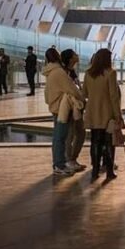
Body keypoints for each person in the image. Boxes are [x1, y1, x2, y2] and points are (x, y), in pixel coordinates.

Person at [43, 47, 83, 176]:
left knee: (58, 137)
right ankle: (59, 165)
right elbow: (72, 89)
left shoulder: (50, 72)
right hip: (61, 108)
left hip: (55, 107)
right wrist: (82, 98)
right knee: (60, 138)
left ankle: (59, 163)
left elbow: (46, 93)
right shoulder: (59, 72)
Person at [83, 48, 121, 181]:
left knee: (95, 141)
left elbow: (84, 93)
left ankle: (95, 170)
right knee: (109, 142)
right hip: (107, 112)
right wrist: (118, 115)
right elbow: (113, 96)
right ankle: (109, 171)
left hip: (93, 111)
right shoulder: (111, 73)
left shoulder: (88, 73)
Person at [61, 49, 87, 172]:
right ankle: (68, 160)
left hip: (78, 106)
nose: (77, 56)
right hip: (70, 107)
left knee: (81, 133)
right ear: (70, 58)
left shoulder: (72, 71)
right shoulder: (64, 72)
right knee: (70, 134)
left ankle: (73, 158)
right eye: (75, 54)